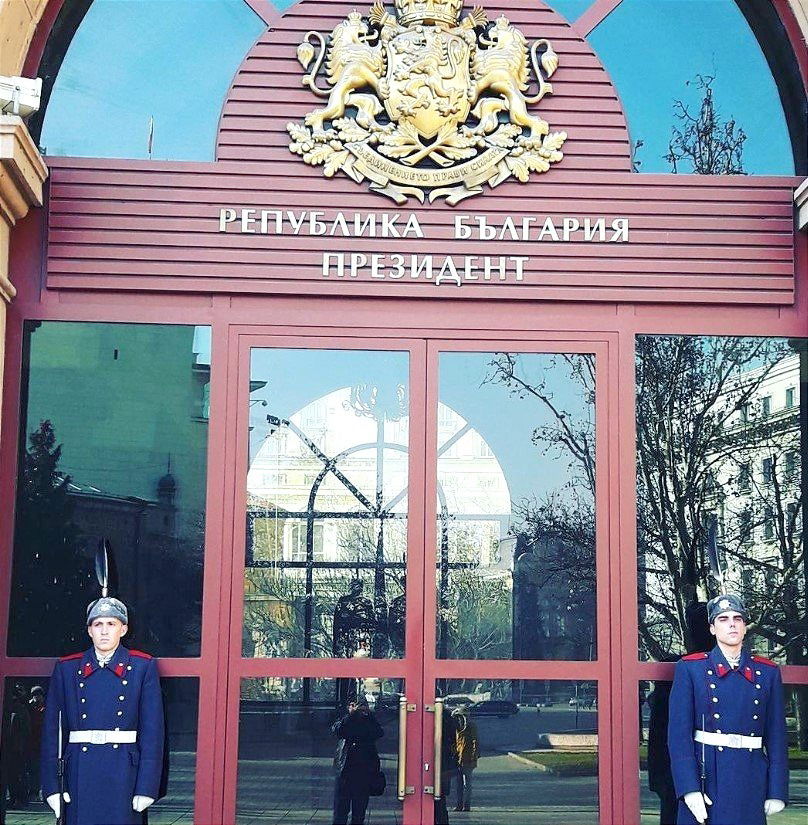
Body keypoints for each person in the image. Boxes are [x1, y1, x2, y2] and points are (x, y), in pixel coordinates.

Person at [40, 596, 165, 825]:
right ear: (89, 630)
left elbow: (153, 734)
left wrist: (146, 787)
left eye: (111, 624)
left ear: (123, 629)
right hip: (78, 771)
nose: (104, 631)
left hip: (124, 774)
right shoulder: (67, 668)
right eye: (98, 624)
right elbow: (52, 733)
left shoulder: (142, 667)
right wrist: (51, 787)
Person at [667, 593, 788, 825]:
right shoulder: (691, 669)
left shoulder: (767, 672)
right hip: (707, 777)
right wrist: (689, 788)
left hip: (750, 778)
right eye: (723, 619)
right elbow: (678, 738)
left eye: (737, 618)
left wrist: (777, 789)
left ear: (744, 627)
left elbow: (777, 736)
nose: (731, 623)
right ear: (712, 628)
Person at [647, 602, 712, 825]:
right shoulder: (678, 668)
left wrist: (659, 778)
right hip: (677, 775)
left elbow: (659, 729)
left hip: (676, 774)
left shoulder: (674, 668)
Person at [331, 698, 383, 825]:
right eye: (353, 706)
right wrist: (350, 715)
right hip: (344, 771)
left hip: (363, 771)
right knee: (340, 812)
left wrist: (369, 715)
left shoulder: (369, 720)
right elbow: (338, 730)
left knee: (359, 813)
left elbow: (379, 732)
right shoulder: (346, 719)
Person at [451, 706, 479, 812]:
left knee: (466, 784)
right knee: (458, 784)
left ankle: (466, 805)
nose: (460, 719)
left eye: (462, 716)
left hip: (468, 759)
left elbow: (475, 742)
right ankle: (459, 805)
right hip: (458, 759)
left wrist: (473, 757)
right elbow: (456, 743)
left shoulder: (471, 726)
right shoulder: (458, 728)